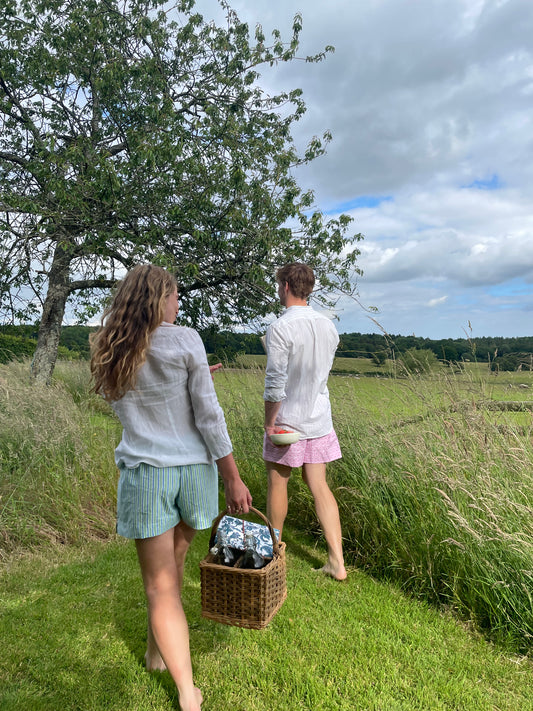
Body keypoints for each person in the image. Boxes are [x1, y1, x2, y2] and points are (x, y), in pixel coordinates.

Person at [89, 264, 252, 711]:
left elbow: (129, 400)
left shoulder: (113, 344)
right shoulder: (187, 340)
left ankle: (176, 679)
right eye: (175, 297)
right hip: (193, 474)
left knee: (161, 585)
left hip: (148, 473)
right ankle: (177, 677)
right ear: (159, 299)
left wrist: (189, 380)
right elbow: (208, 416)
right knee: (171, 574)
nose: (178, 305)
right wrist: (233, 477)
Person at [262, 262, 347, 581]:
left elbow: (275, 384)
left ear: (285, 286)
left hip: (287, 422)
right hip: (319, 418)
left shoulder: (280, 327)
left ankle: (273, 554)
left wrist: (269, 423)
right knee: (319, 484)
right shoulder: (328, 327)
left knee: (277, 482)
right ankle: (337, 562)